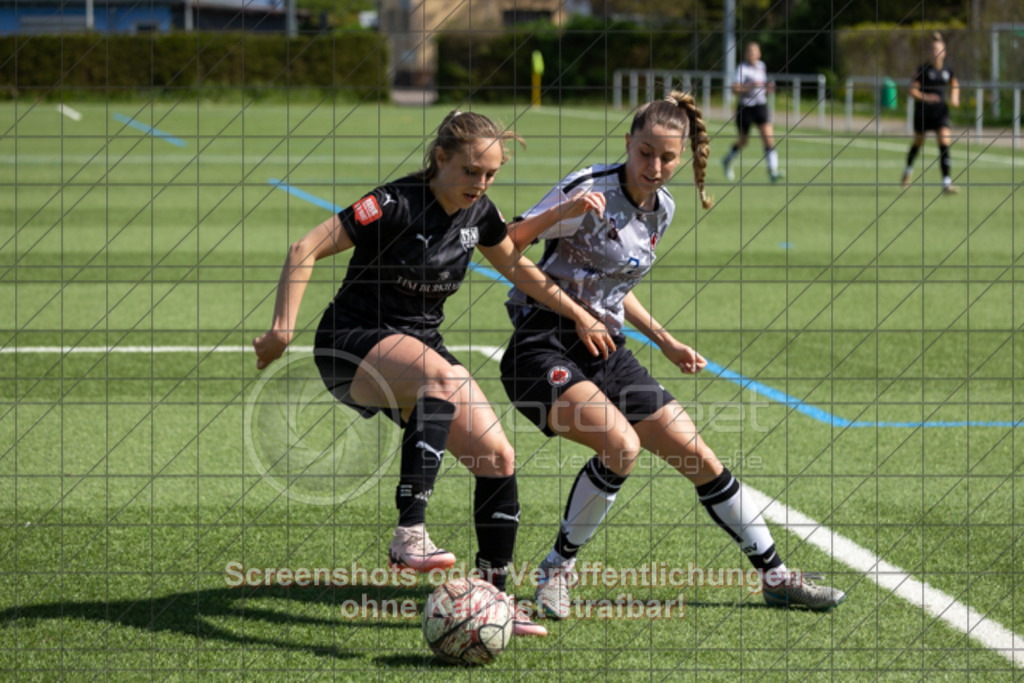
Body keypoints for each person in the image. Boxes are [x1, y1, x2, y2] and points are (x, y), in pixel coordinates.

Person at [253, 110, 616, 637]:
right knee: (441, 379)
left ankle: (494, 597)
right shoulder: (393, 203)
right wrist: (281, 329)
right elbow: (303, 247)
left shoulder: (481, 215)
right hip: (350, 344)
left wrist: (580, 313)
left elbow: (519, 267)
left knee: (498, 457)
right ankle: (409, 534)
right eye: (471, 171)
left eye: (490, 174)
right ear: (441, 157)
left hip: (418, 349)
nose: (481, 184)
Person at [499, 91, 846, 618]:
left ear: (681, 156)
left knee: (699, 457)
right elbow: (505, 245)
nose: (655, 167)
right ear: (627, 144)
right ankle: (557, 570)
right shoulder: (589, 187)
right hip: (541, 342)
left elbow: (613, 285)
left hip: (604, 346)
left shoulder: (663, 210)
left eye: (667, 157)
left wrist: (664, 339)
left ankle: (776, 577)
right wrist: (565, 225)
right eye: (645, 153)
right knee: (621, 446)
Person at [902, 32, 960, 193]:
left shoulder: (948, 71)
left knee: (944, 144)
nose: (936, 53)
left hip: (940, 114)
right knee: (918, 143)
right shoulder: (923, 70)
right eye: (933, 50)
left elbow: (955, 84)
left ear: (944, 52)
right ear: (930, 52)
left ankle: (946, 182)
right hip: (923, 114)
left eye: (939, 50)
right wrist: (926, 97)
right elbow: (912, 91)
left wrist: (955, 97)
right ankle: (907, 170)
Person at [721, 42, 782, 183]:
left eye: (755, 52)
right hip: (745, 107)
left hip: (760, 105)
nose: (753, 54)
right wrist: (749, 87)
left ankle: (773, 171)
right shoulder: (742, 68)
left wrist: (767, 88)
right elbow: (735, 89)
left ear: (759, 54)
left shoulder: (762, 66)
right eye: (750, 52)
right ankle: (727, 160)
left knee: (768, 138)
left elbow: (762, 86)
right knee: (743, 141)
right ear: (746, 54)